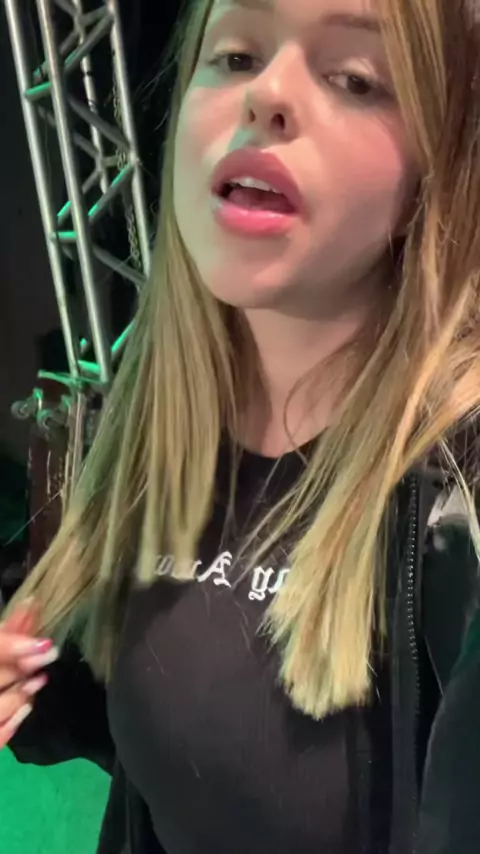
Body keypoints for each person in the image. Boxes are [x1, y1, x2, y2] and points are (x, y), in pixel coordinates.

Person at [1, 0, 480, 851]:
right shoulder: (155, 423)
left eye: (353, 78)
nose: (268, 94)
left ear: (433, 170)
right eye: (233, 56)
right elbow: (161, 725)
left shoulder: (460, 492)